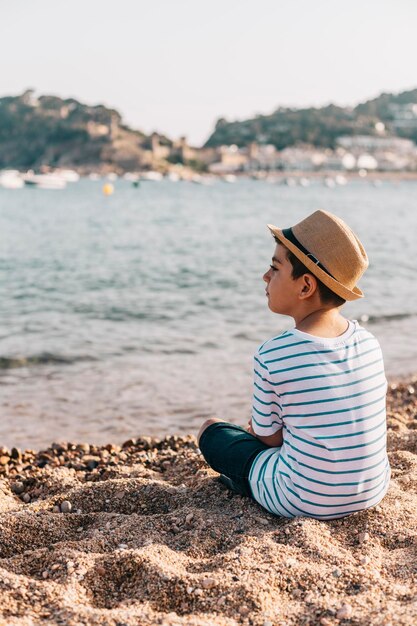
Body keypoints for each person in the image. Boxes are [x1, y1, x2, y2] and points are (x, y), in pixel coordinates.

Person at [197, 210, 390, 519]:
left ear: (305, 287)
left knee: (213, 433)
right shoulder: (368, 342)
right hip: (371, 490)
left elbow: (269, 439)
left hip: (303, 499)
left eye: (275, 267)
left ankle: (242, 481)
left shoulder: (274, 353)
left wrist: (266, 432)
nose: (265, 276)